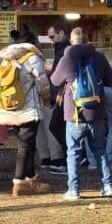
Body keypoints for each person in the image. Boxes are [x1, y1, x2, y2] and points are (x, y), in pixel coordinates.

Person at [49, 28, 112, 200]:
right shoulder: (99, 57)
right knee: (100, 150)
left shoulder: (67, 59)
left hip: (74, 114)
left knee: (73, 152)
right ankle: (107, 186)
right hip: (96, 112)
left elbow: (55, 80)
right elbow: (111, 81)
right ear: (88, 40)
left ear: (71, 42)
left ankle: (74, 190)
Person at [0, 42, 52, 197]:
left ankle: (31, 179)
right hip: (28, 108)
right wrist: (47, 99)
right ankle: (19, 182)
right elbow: (42, 82)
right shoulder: (32, 58)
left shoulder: (7, 59)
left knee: (27, 144)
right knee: (24, 146)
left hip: (11, 107)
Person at [45, 21, 71, 175]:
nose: (51, 40)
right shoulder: (61, 49)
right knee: (59, 126)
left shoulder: (65, 50)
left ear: (61, 33)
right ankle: (70, 157)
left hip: (63, 94)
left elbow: (65, 73)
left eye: (52, 36)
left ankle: (71, 157)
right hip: (60, 93)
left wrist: (59, 92)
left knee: (55, 125)